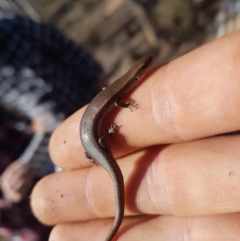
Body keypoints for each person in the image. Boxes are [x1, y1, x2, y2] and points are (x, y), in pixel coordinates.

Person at [31, 30, 240, 240]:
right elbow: (116, 100)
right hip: (94, 142)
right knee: (106, 157)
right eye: (144, 67)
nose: (148, 65)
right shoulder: (121, 90)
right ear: (137, 75)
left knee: (103, 156)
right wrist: (113, 126)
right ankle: (114, 225)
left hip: (91, 142)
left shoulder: (121, 85)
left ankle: (114, 226)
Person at [0, 12, 103, 241]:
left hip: (88, 99)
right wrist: (31, 124)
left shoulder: (15, 28)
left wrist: (96, 77)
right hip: (59, 132)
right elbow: (12, 112)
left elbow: (64, 46)